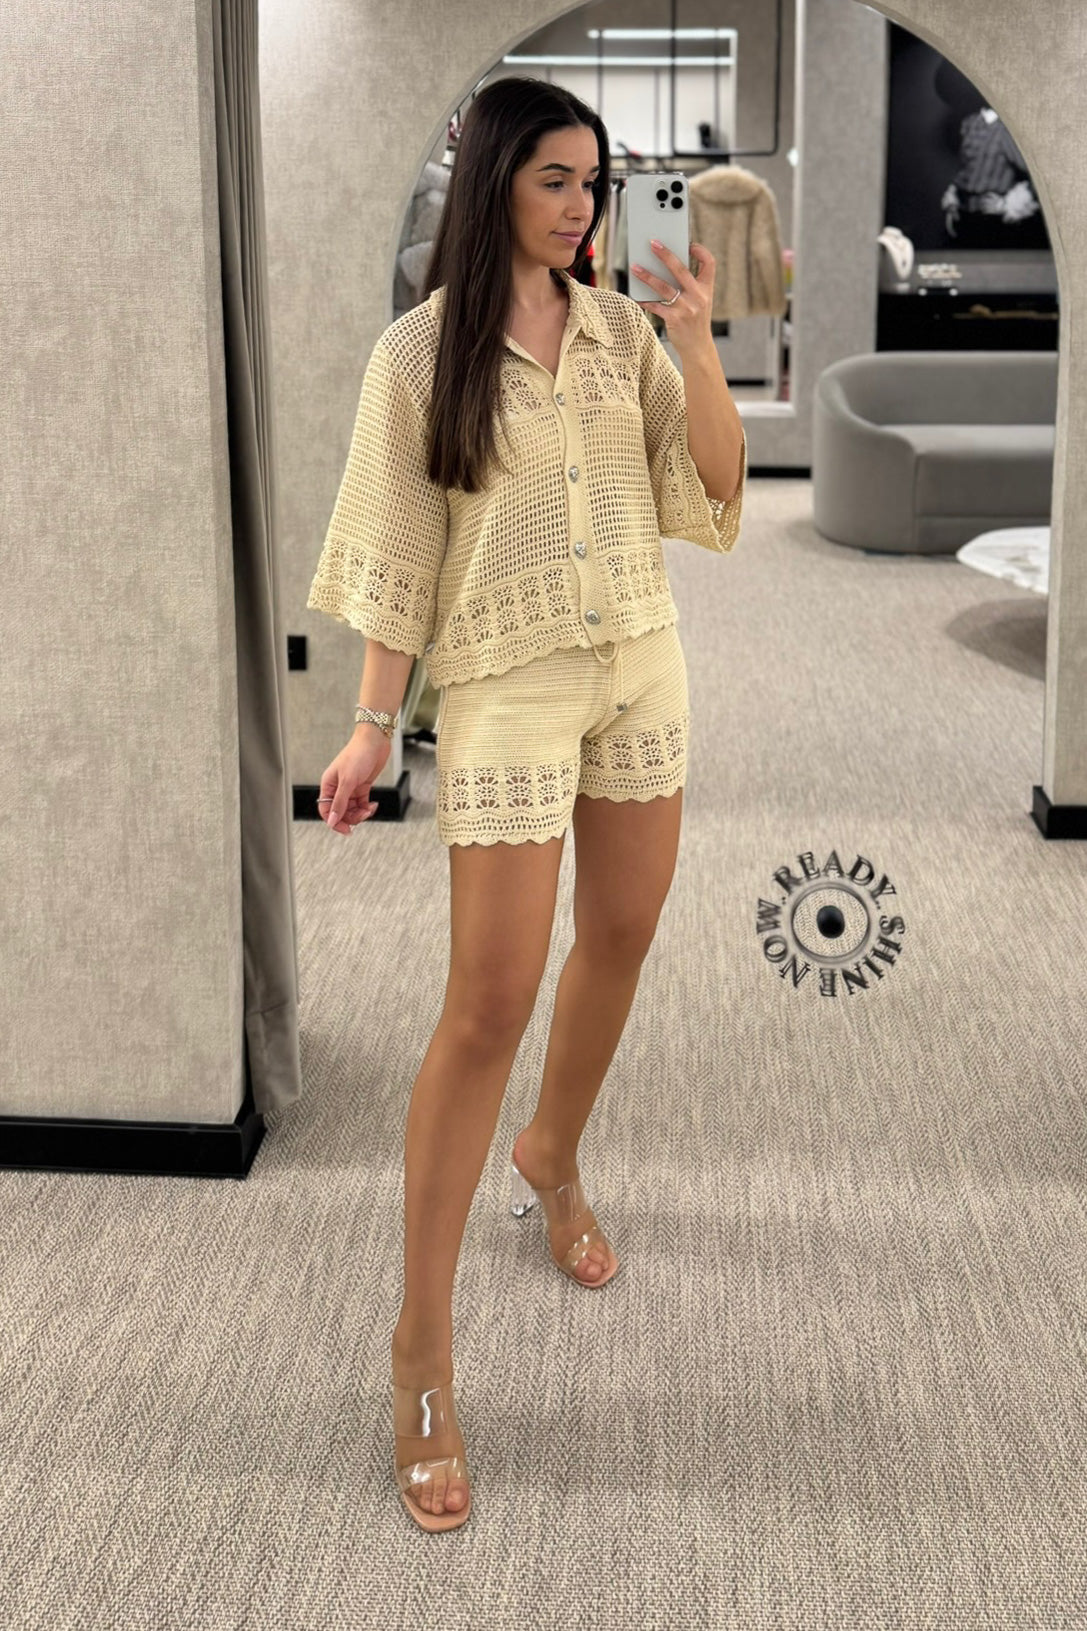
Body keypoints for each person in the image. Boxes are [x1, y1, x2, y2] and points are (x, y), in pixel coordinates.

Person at [305, 76, 746, 1532]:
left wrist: (696, 340)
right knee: (486, 1003)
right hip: (505, 683)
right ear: (494, 181)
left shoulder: (622, 332)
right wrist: (372, 726)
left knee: (620, 936)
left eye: (594, 181)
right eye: (555, 177)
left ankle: (551, 1153)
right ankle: (421, 1351)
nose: (582, 205)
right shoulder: (419, 354)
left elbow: (714, 493)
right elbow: (399, 549)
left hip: (640, 665)